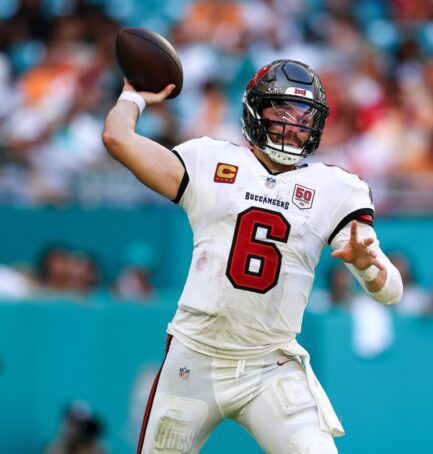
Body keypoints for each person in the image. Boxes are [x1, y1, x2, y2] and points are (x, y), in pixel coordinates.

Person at [102, 59, 403, 453]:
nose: (294, 126)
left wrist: (367, 269)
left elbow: (392, 291)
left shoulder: (335, 189)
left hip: (270, 365)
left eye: (304, 116)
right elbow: (117, 138)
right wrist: (132, 95)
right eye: (283, 112)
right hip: (195, 356)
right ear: (254, 111)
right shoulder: (209, 161)